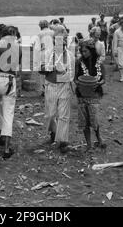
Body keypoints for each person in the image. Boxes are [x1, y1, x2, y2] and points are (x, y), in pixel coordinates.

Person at [0, 26, 21, 159]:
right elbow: (16, 65)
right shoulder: (17, 46)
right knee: (8, 113)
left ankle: (1, 137)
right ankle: (7, 149)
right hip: (8, 79)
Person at [42, 25, 75, 153]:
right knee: (51, 114)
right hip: (51, 85)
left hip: (64, 86)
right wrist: (49, 68)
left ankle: (62, 141)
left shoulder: (70, 56)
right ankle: (53, 132)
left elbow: (71, 75)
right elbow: (41, 69)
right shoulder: (48, 54)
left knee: (64, 116)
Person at [75, 39, 106, 151]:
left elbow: (104, 80)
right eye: (82, 51)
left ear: (91, 51)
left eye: (85, 51)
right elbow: (75, 79)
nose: (83, 53)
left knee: (94, 119)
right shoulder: (79, 62)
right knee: (84, 121)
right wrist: (80, 84)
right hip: (81, 95)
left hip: (94, 95)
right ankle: (89, 144)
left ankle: (99, 138)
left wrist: (98, 83)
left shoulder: (99, 63)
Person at [34, 20, 54, 96]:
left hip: (42, 53)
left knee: (42, 72)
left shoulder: (39, 34)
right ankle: (50, 87)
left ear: (40, 26)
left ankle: (44, 89)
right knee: (51, 70)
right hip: (51, 53)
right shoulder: (52, 32)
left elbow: (37, 46)